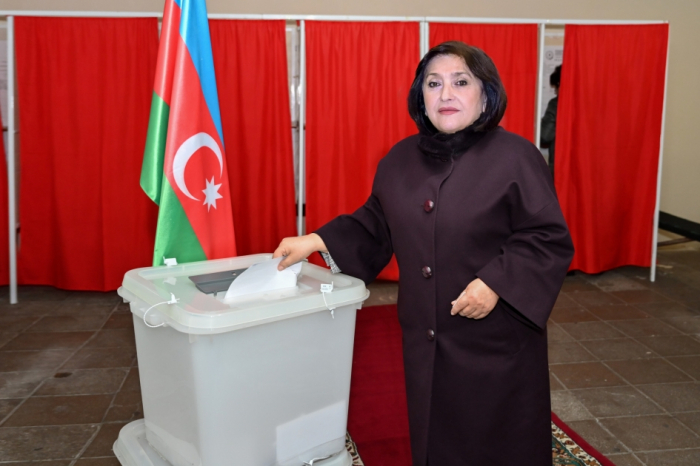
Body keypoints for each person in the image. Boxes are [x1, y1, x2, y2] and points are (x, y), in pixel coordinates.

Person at [274, 41, 574, 465]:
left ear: (485, 94)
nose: (445, 94)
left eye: (460, 82)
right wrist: (318, 240)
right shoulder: (400, 159)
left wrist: (496, 282)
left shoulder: (516, 158)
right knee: (437, 439)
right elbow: (377, 221)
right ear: (421, 96)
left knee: (499, 442)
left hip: (495, 341)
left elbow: (546, 236)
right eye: (434, 83)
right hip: (426, 340)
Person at [541, 64, 562, 178]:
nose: (555, 92)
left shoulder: (556, 104)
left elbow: (545, 135)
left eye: (555, 88)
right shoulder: (592, 104)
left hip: (561, 169)